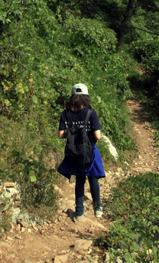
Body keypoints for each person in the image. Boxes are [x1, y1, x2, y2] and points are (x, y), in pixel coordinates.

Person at [57, 83, 105, 222]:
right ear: (86, 97)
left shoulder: (65, 113)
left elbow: (61, 135)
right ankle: (97, 208)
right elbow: (98, 136)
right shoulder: (91, 113)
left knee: (79, 180)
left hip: (74, 152)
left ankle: (79, 213)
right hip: (90, 150)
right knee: (93, 178)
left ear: (72, 96)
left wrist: (72, 135)